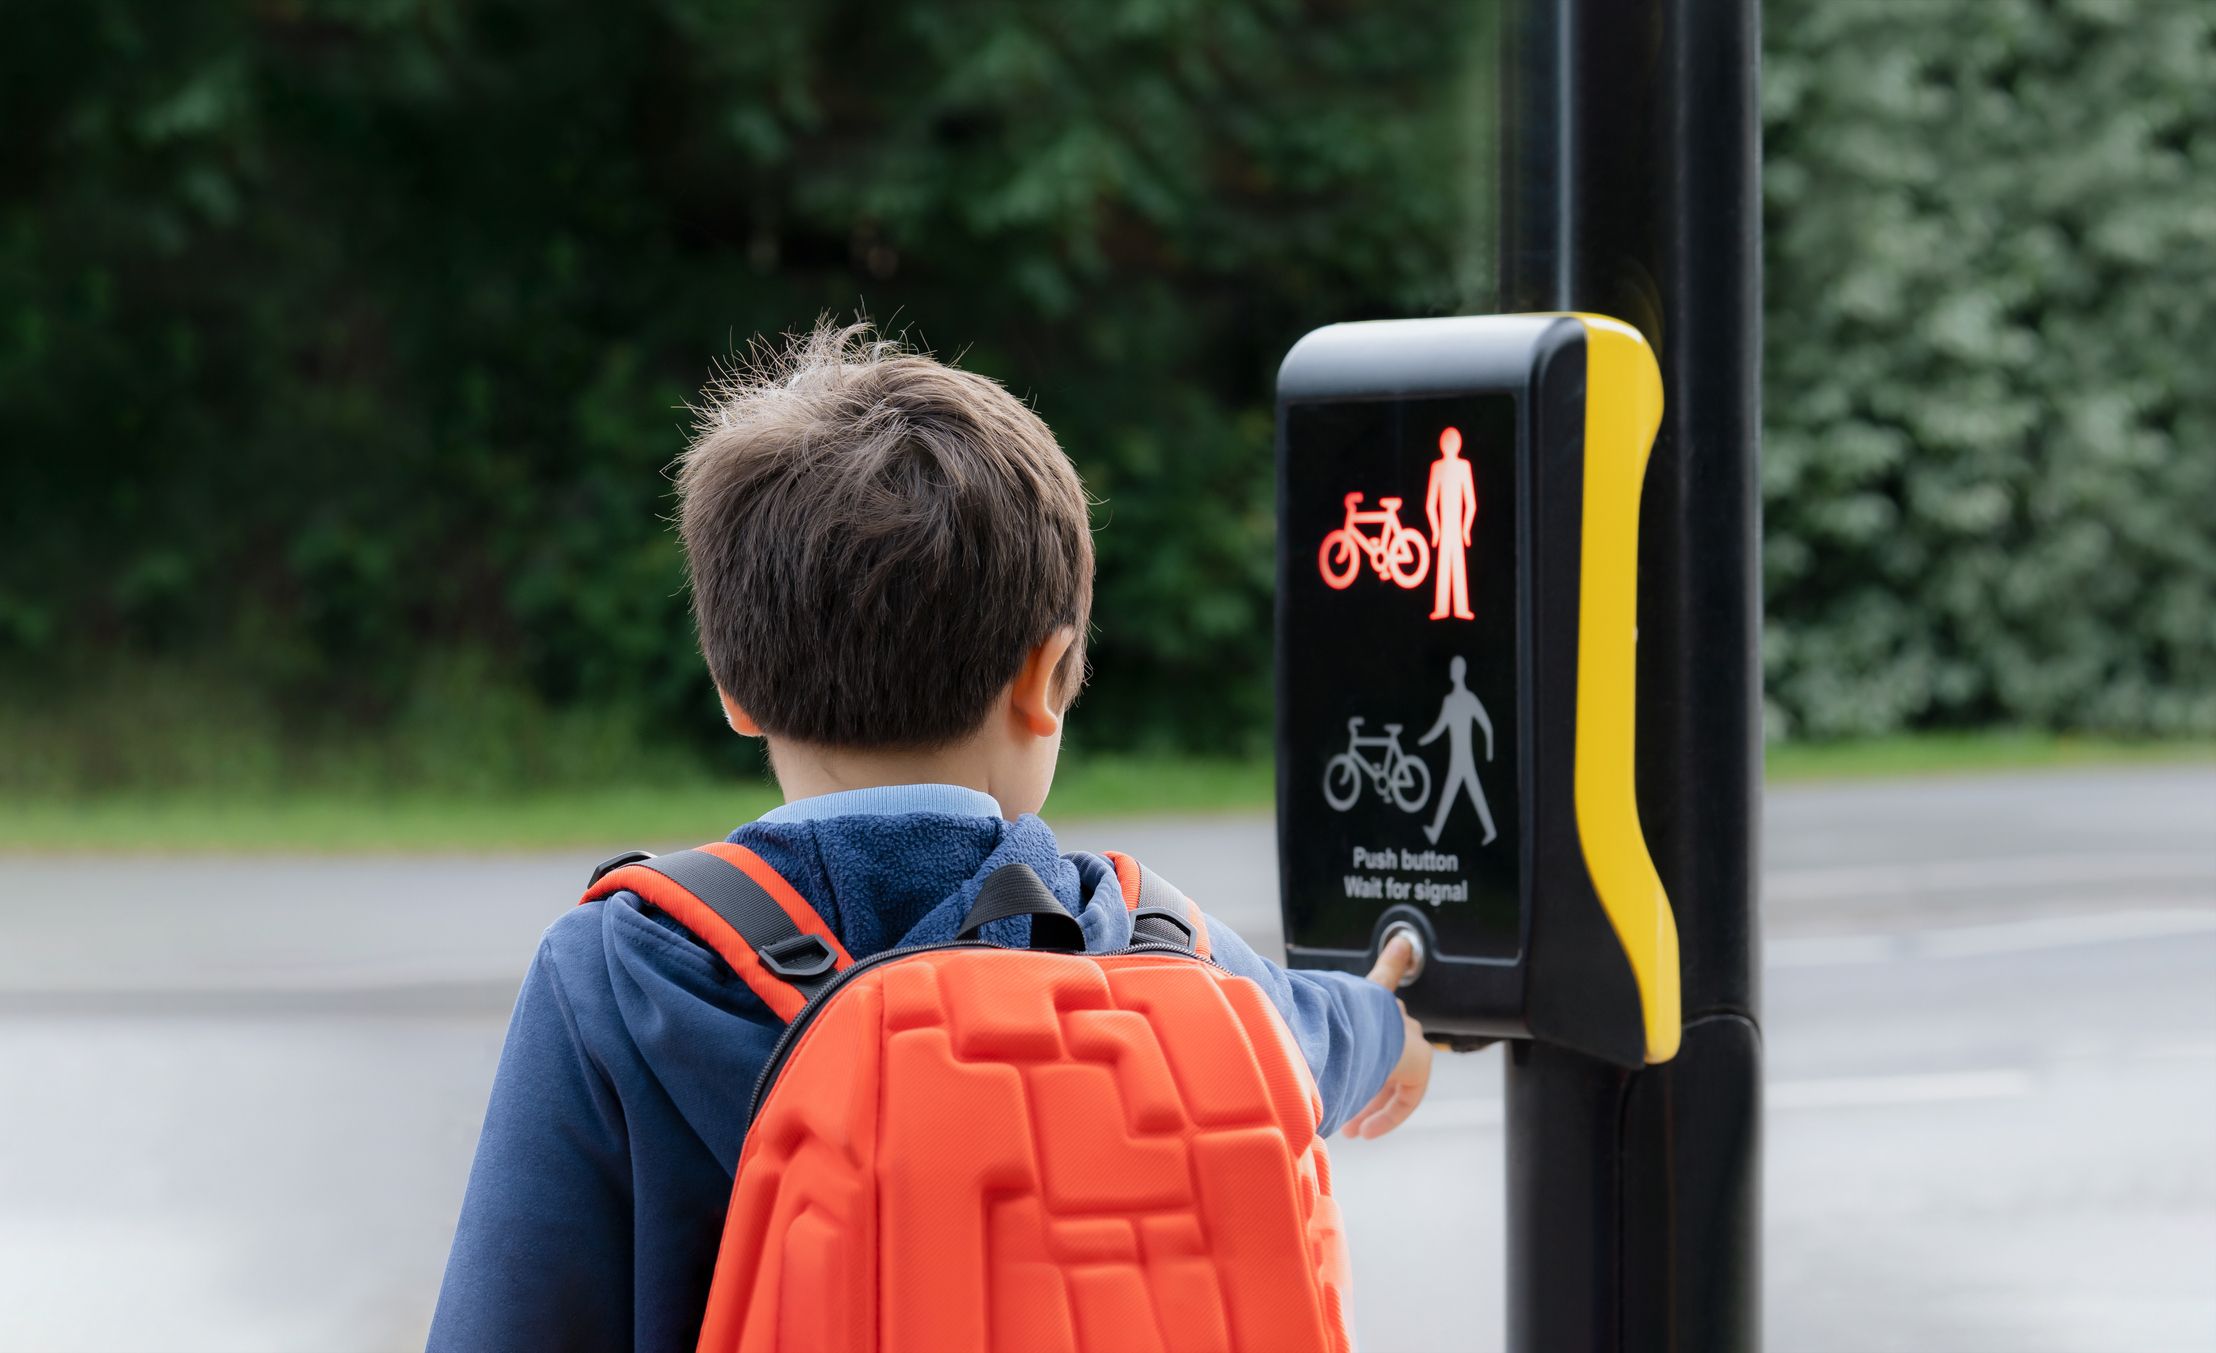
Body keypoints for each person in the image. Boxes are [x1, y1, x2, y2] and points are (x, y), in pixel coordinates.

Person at [427, 321, 1432, 1353]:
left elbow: (510, 1313)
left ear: (731, 689)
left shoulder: (621, 974)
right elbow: (1323, 1032)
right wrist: (1392, 1028)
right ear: (1047, 679)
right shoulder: (1159, 945)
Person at [1419, 655, 1497, 846]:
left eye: (1455, 668)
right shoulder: (1449, 700)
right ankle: (1488, 830)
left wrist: (1489, 752)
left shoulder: (1469, 699)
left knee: (1459, 793)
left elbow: (1487, 726)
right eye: (1452, 668)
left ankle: (1436, 832)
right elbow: (1439, 727)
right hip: (1459, 759)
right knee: (1464, 793)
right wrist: (1424, 740)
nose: (1452, 672)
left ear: (1460, 672)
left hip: (1464, 758)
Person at [1425, 425, 1477, 621]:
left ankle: (1461, 608)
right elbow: (1430, 504)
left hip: (1454, 524)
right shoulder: (1437, 468)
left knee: (1457, 566)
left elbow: (1471, 503)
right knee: (1444, 566)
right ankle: (1442, 608)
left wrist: (1466, 529)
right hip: (1447, 525)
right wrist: (1436, 530)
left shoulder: (1465, 467)